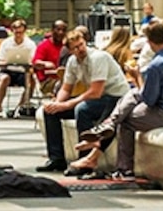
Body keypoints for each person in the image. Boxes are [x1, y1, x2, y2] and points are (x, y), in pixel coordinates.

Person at [74, 19, 163, 182]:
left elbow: (149, 99)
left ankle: (124, 168)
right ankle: (109, 124)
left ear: (149, 41)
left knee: (126, 121)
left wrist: (137, 76)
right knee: (133, 94)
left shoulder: (157, 64)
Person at [40, 28, 129, 172]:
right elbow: (66, 88)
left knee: (82, 110)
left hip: (115, 96)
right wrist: (57, 104)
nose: (80, 49)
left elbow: (95, 92)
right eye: (75, 47)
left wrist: (68, 104)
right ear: (69, 50)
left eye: (81, 44)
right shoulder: (72, 62)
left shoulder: (98, 57)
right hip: (98, 97)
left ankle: (85, 160)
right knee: (51, 112)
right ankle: (56, 158)